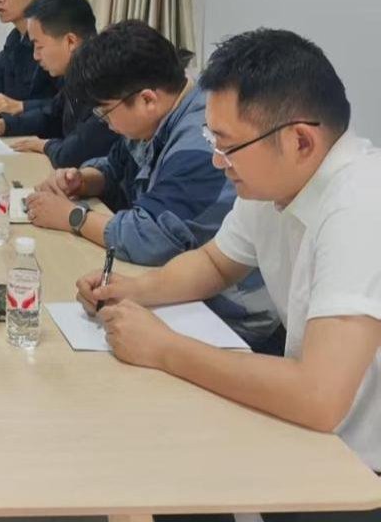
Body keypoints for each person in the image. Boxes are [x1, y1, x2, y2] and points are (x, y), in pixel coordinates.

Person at [78, 29, 381, 521]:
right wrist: (130, 289)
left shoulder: (361, 205)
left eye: (228, 145)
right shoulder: (274, 183)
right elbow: (215, 263)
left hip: (358, 471)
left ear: (300, 140)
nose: (218, 162)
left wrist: (164, 348)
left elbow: (318, 396)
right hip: (317, 437)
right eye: (212, 140)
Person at [27, 19, 279, 350]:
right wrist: (83, 180)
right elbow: (116, 164)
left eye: (106, 113)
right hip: (183, 288)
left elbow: (151, 237)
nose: (107, 124)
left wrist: (73, 217)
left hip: (229, 319)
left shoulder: (203, 142)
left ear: (147, 99)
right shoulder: (158, 118)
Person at [0, 0, 117, 168]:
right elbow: (50, 116)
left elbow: (74, 152)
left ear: (71, 42)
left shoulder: (104, 83)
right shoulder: (75, 75)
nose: (35, 55)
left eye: (39, 46)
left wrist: (44, 145)